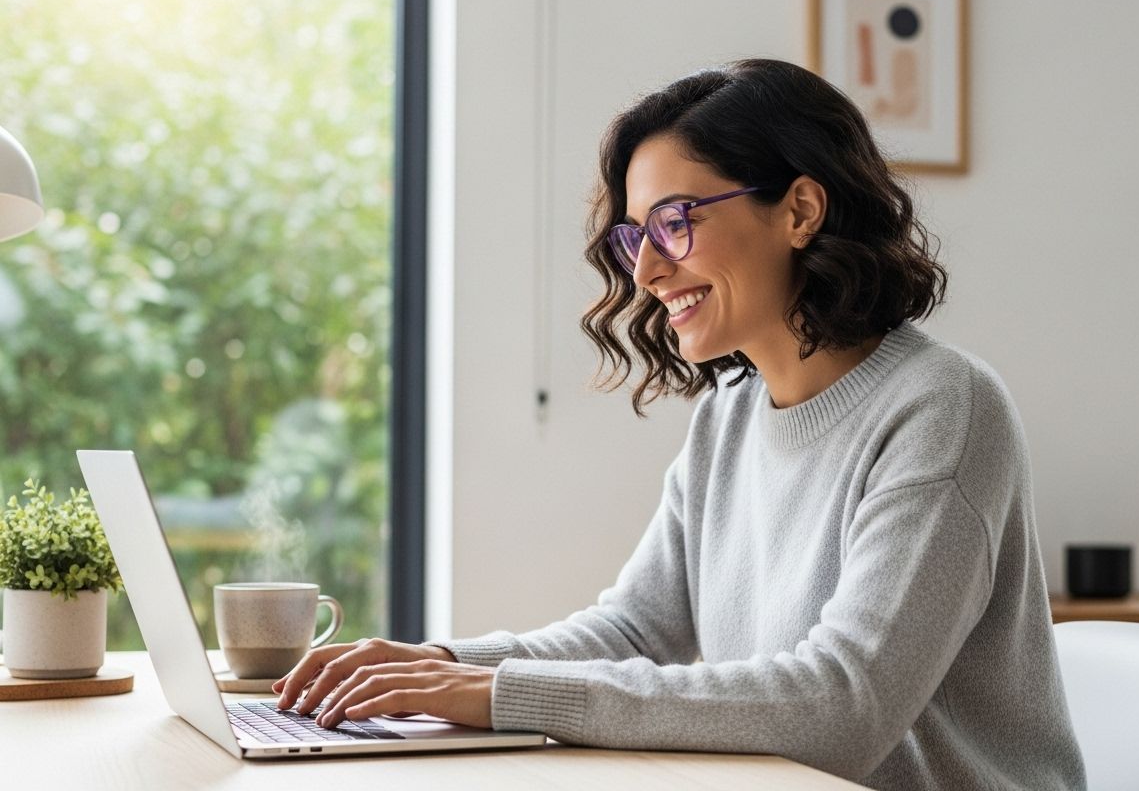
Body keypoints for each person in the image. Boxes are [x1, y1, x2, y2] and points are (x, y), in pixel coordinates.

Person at [274, 58, 1086, 789]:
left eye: (676, 221)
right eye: (637, 235)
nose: (649, 270)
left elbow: (844, 706)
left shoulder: (942, 406)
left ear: (799, 209)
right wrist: (440, 665)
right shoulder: (730, 416)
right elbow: (638, 627)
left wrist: (495, 695)